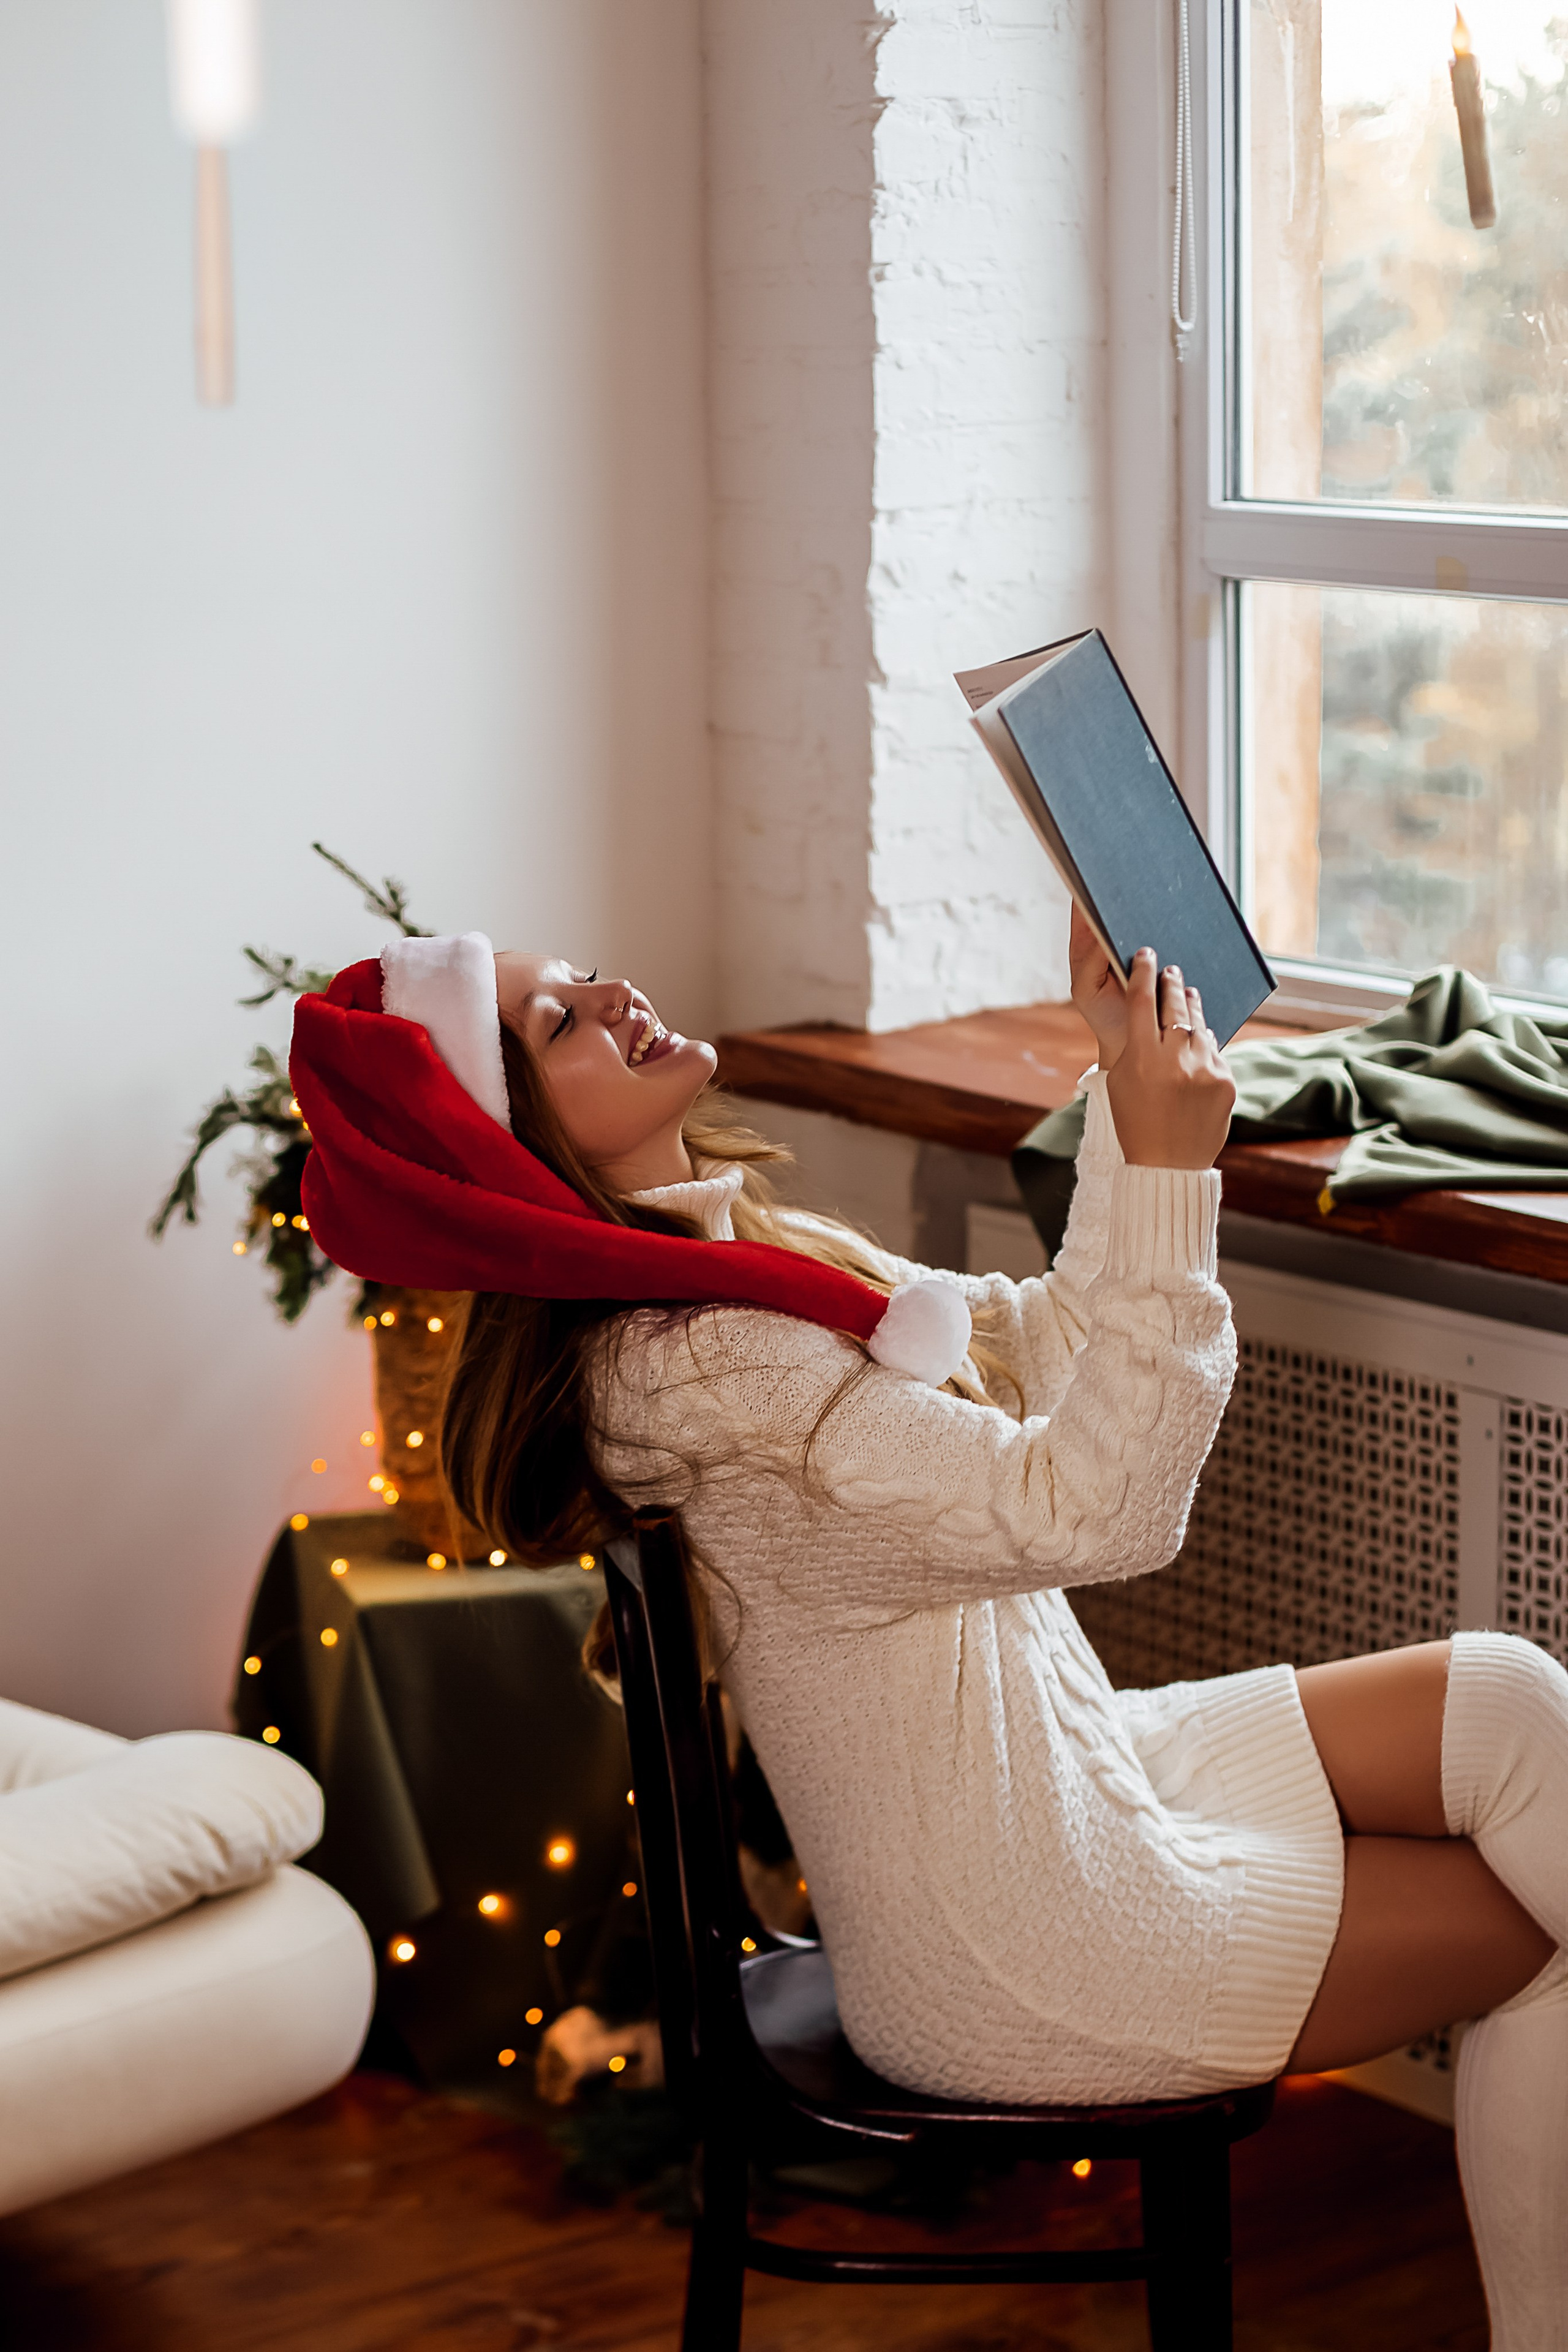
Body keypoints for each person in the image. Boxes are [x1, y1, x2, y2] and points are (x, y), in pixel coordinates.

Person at [290, 916, 1568, 2348]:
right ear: (512, 1154)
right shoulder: (714, 1366)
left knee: (1509, 1697)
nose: (607, 992)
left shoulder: (729, 1265)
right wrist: (1166, 1174)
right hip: (1027, 1940)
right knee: (1542, 1932)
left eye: (576, 971)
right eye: (555, 1025)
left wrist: (1117, 1099)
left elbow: (1025, 1349)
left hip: (1055, 1792)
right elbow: (1100, 1511)